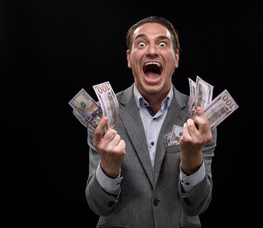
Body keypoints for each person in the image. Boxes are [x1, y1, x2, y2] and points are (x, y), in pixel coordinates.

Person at [85, 16, 217, 228]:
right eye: (141, 43)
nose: (152, 51)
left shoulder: (200, 118)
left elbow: (198, 206)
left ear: (175, 59)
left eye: (162, 43)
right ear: (129, 59)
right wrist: (108, 169)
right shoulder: (103, 116)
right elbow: (98, 206)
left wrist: (192, 159)